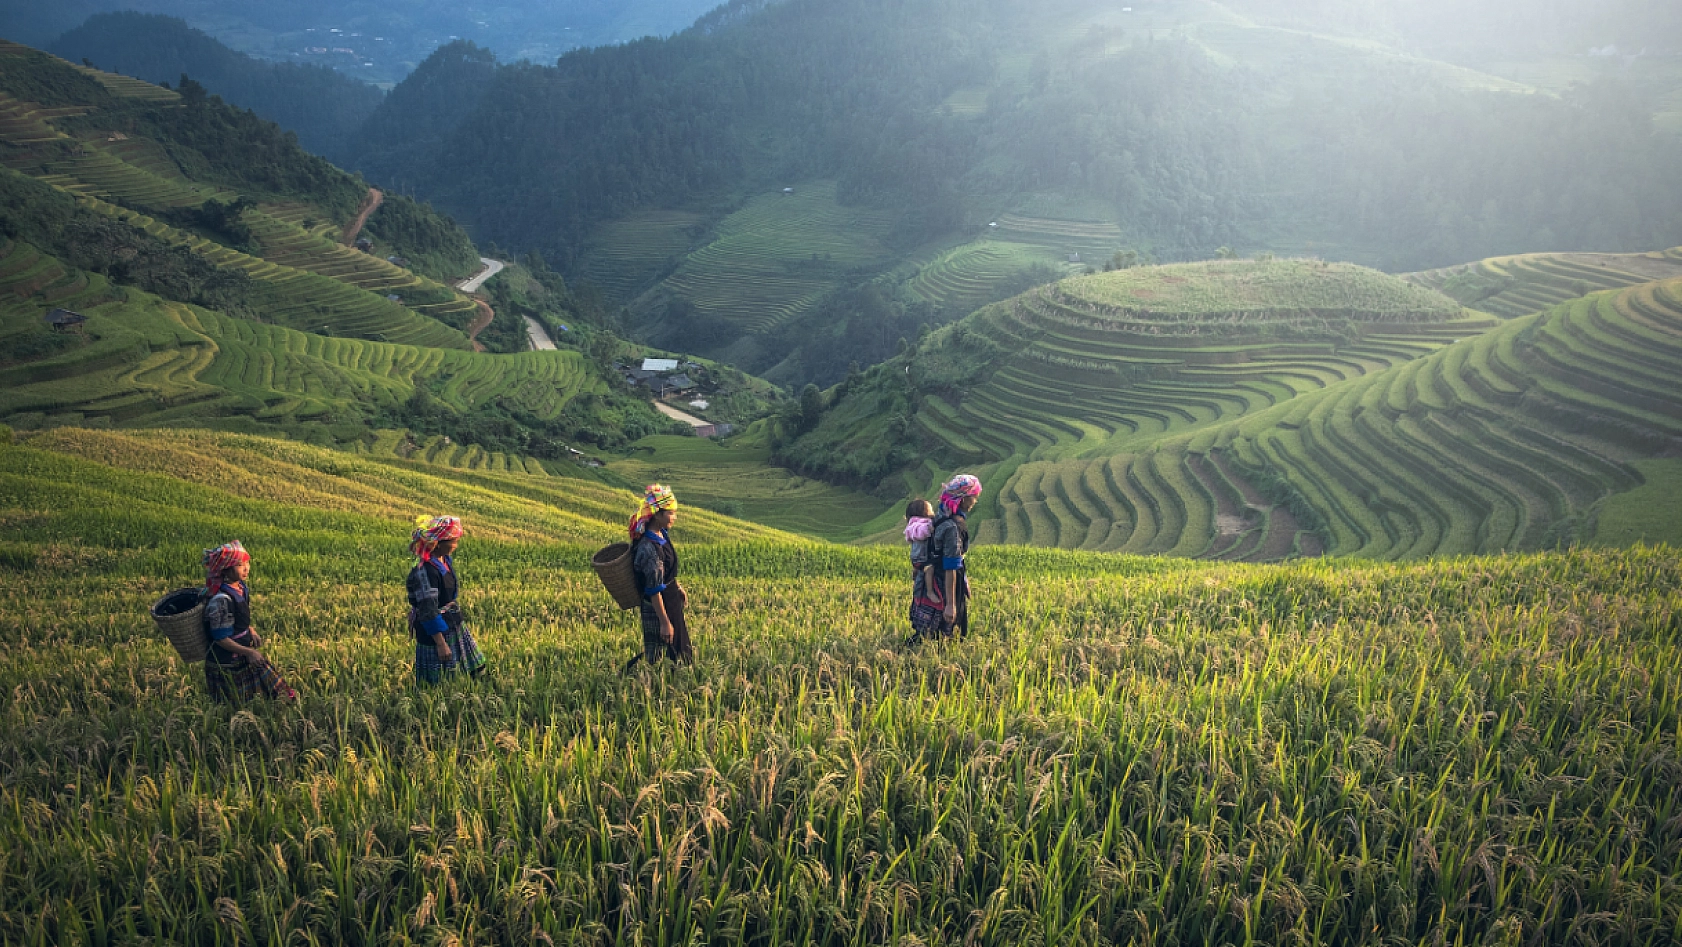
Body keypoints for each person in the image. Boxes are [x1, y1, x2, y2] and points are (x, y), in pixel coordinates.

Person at [201, 541, 298, 703]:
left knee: (275, 693)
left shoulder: (241, 588)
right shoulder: (221, 600)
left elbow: (238, 618)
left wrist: (251, 631)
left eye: (247, 562)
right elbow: (220, 638)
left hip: (242, 650)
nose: (246, 568)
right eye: (240, 565)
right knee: (235, 704)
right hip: (226, 661)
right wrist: (250, 652)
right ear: (226, 570)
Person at [407, 514, 487, 684]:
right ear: (438, 544)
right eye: (454, 541)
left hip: (453, 623)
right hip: (435, 631)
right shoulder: (425, 571)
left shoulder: (443, 560)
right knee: (438, 683)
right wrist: (441, 643)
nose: (456, 545)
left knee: (477, 670)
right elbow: (428, 609)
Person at [629, 484, 693, 667]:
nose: (674, 517)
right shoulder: (649, 548)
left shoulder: (661, 533)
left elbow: (666, 570)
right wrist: (664, 622)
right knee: (661, 654)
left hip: (670, 599)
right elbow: (653, 589)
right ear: (657, 515)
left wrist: (677, 586)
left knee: (680, 651)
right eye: (670, 513)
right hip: (659, 606)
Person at [924, 474, 983, 641]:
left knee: (935, 631)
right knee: (948, 631)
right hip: (946, 582)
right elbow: (951, 565)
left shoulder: (943, 515)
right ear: (963, 499)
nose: (975, 502)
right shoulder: (953, 526)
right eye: (973, 497)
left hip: (938, 577)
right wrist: (950, 604)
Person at [904, 498, 942, 640]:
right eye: (930, 510)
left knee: (919, 581)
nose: (932, 513)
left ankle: (918, 601)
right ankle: (930, 592)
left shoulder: (914, 524)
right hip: (922, 559)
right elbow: (922, 533)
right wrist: (932, 527)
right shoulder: (919, 525)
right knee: (929, 571)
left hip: (917, 559)